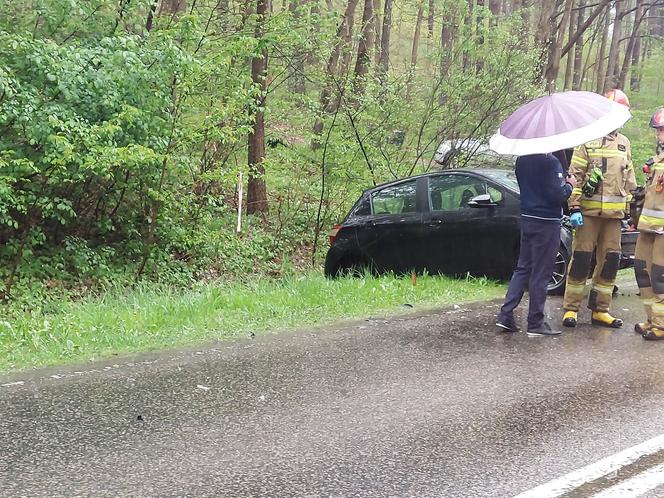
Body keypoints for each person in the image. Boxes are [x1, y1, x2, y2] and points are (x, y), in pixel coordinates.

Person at [561, 89, 636, 329]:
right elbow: (575, 176)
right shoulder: (587, 140)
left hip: (613, 218)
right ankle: (571, 309)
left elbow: (629, 181)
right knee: (582, 259)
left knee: (610, 262)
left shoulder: (624, 144)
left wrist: (627, 211)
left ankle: (601, 310)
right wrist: (574, 207)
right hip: (588, 215)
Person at [496, 152, 576, 336]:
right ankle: (535, 322)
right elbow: (558, 195)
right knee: (542, 272)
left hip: (527, 219)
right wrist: (570, 185)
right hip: (546, 222)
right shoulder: (550, 162)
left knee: (523, 268)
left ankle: (505, 315)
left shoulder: (522, 160)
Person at [634, 107, 664, 340]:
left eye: (662, 130)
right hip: (647, 228)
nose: (658, 134)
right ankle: (651, 319)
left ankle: (661, 325)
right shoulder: (656, 161)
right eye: (657, 130)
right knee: (642, 271)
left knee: (660, 277)